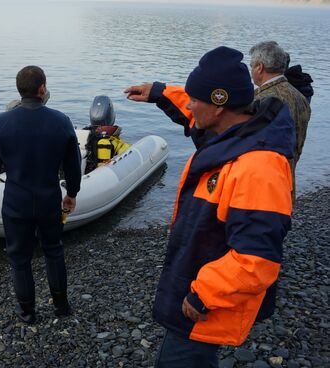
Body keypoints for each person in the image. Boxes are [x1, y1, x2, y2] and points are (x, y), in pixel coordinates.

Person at [125, 46, 293, 367]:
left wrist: (204, 293)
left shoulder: (258, 167)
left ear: (218, 107)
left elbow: (257, 259)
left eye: (195, 99)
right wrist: (160, 93)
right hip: (196, 278)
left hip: (205, 299)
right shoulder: (233, 132)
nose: (189, 104)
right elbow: (193, 115)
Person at [0, 66, 82, 324]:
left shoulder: (3, 122)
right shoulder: (61, 121)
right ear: (42, 88)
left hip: (16, 203)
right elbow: (73, 163)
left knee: (20, 258)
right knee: (54, 251)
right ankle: (61, 307)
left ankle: (27, 312)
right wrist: (71, 193)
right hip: (48, 200)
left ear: (19, 90)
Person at [249, 41, 311, 201]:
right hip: (288, 180)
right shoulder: (300, 97)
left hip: (265, 187)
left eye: (251, 65)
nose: (251, 71)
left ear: (259, 67)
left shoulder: (262, 99)